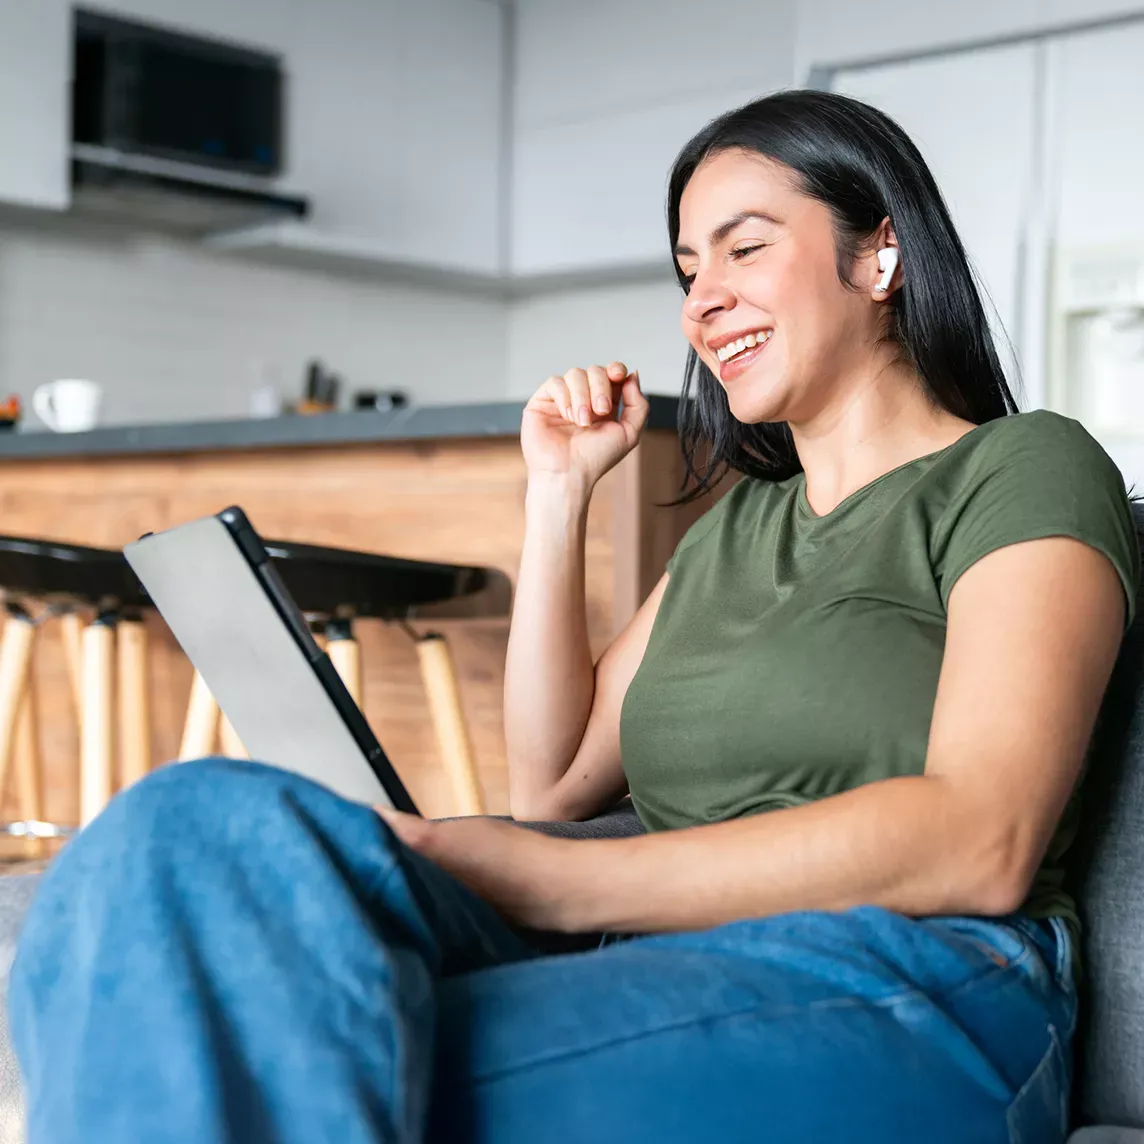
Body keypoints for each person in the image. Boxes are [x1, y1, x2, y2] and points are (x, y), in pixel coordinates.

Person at [9, 89, 1139, 1144]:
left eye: (744, 248)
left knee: (309, 1060)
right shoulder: (734, 534)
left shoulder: (1020, 469)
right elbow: (551, 787)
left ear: (879, 251)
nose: (703, 298)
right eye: (688, 267)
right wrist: (559, 497)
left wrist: (540, 874)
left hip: (913, 973)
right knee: (185, 823)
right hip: (639, 947)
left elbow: (978, 839)